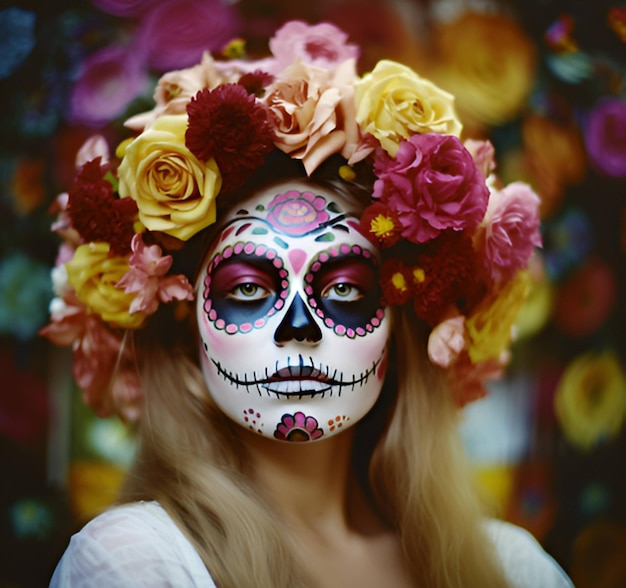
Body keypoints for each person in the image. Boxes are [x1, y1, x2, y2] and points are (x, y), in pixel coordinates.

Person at [43, 20, 574, 588]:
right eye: (247, 289)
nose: (299, 328)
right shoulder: (135, 564)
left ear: (400, 328)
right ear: (185, 332)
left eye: (344, 289)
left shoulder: (510, 569)